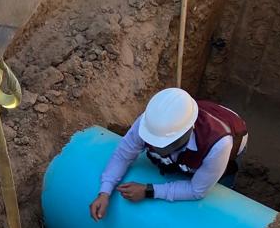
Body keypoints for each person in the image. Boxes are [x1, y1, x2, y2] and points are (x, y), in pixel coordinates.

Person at [89, 87, 249, 220]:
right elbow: (123, 155)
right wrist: (105, 192)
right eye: (152, 141)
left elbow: (197, 190)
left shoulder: (218, 144)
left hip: (232, 137)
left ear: (187, 131)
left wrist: (148, 190)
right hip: (203, 126)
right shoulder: (151, 122)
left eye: (164, 144)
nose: (156, 148)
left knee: (219, 188)